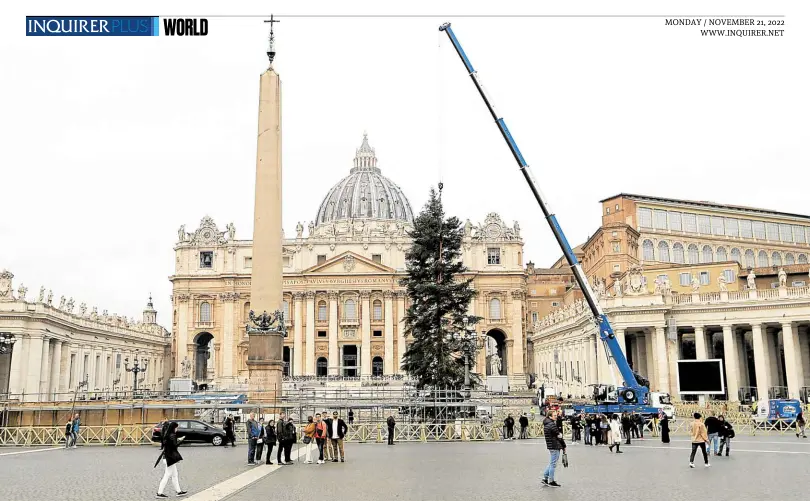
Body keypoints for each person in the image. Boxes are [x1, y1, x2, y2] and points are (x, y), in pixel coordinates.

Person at [155, 421, 187, 498]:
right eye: (176, 427)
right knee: (167, 475)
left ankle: (179, 491)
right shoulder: (172, 435)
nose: (177, 429)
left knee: (175, 475)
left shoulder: (167, 434)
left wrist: (177, 439)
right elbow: (174, 446)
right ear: (173, 428)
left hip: (168, 457)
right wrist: (181, 440)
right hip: (170, 458)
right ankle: (159, 493)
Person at [542, 410, 566, 488]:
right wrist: (564, 446)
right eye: (554, 415)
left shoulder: (547, 423)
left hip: (551, 445)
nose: (556, 416)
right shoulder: (552, 424)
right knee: (553, 464)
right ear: (550, 416)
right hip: (555, 445)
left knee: (551, 463)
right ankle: (551, 481)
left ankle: (545, 478)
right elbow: (559, 437)